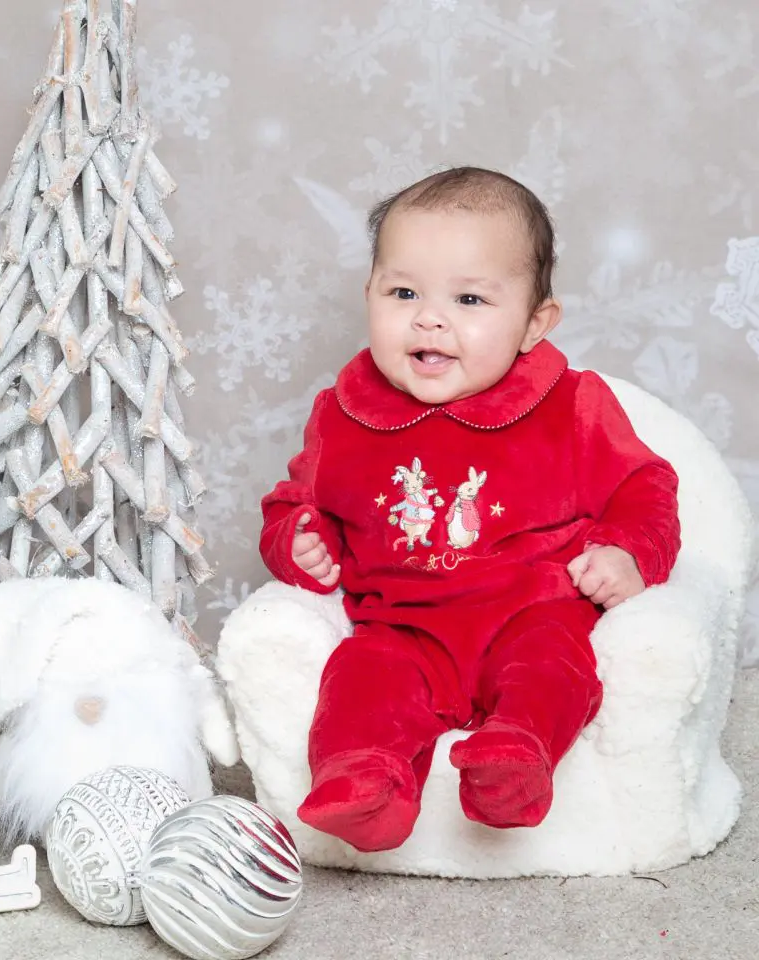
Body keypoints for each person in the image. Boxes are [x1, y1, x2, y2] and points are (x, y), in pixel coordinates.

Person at [258, 167, 680, 853]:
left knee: (553, 668)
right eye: (403, 292)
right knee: (358, 678)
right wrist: (298, 540)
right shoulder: (342, 415)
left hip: (530, 612)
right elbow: (294, 505)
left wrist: (627, 550)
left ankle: (515, 760)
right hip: (402, 627)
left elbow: (645, 486)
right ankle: (366, 782)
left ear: (533, 323)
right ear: (368, 295)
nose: (430, 317)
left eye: (470, 299)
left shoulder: (569, 406)